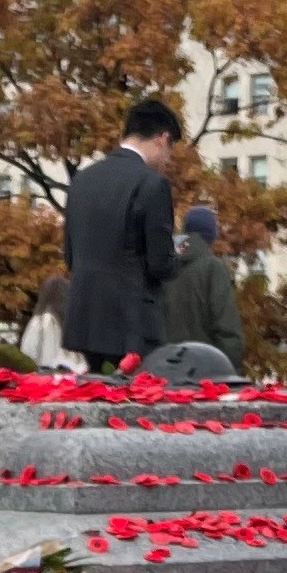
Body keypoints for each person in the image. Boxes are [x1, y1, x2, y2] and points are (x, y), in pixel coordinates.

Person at [60, 98, 180, 374]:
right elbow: (160, 263)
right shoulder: (152, 184)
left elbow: (70, 254)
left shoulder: (82, 179)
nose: (167, 160)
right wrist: (178, 258)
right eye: (170, 149)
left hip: (84, 320)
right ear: (162, 138)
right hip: (133, 325)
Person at [159, 202, 244, 369]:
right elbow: (226, 327)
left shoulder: (162, 266)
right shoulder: (213, 268)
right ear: (211, 234)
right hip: (204, 371)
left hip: (162, 369)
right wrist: (232, 370)